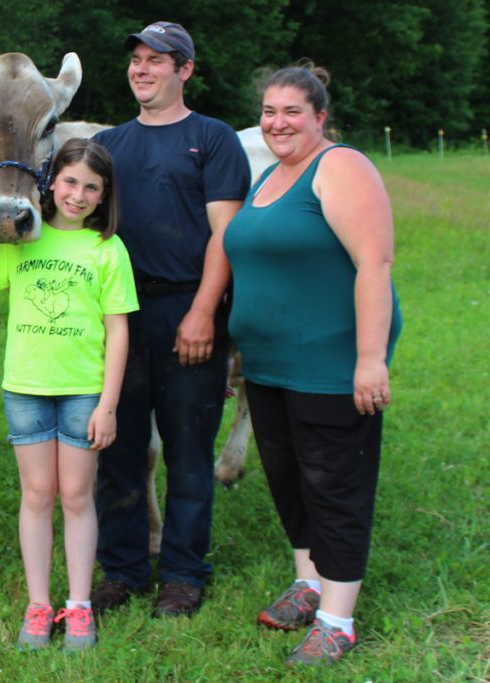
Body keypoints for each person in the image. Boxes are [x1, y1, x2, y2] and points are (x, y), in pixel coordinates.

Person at [223, 62, 403, 666]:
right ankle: (309, 583)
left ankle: (337, 619)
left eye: (292, 112)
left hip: (331, 360)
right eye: (269, 112)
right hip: (268, 365)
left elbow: (374, 265)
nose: (278, 123)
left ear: (320, 117)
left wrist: (371, 359)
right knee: (289, 480)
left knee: (335, 485)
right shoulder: (270, 176)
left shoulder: (341, 167)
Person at [90, 21, 251, 616]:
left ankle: (183, 572)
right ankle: (125, 568)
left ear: (184, 70)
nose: (142, 69)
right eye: (136, 58)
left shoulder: (213, 139)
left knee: (188, 448)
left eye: (158, 60)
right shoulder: (111, 144)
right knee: (121, 447)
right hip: (121, 316)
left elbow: (224, 234)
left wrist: (205, 312)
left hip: (189, 308)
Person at [0, 139, 139, 651]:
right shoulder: (23, 241)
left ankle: (80, 606)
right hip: (26, 388)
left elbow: (119, 332)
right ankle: (39, 605)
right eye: (69, 182)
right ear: (49, 183)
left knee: (77, 496)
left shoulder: (107, 249)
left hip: (84, 392)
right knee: (37, 496)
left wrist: (108, 404)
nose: (78, 195)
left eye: (91, 187)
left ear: (104, 196)